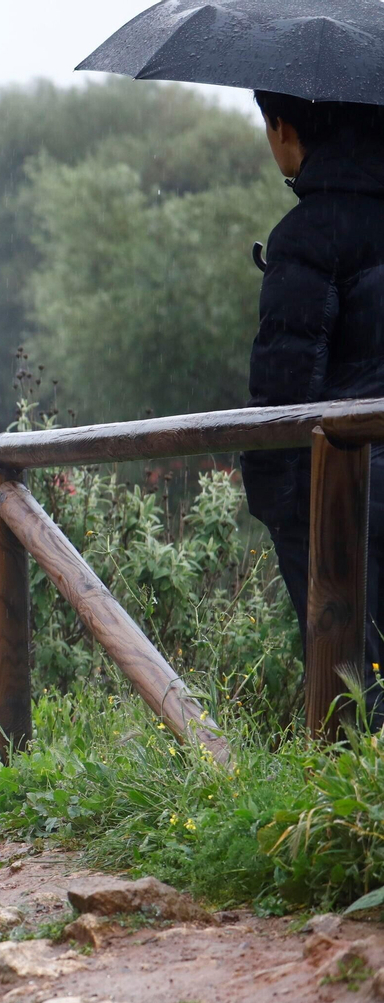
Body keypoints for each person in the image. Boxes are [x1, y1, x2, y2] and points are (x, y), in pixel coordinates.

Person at [238, 92, 384, 679]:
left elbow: (282, 389)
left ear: (285, 128)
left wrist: (282, 512)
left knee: (350, 683)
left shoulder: (307, 235)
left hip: (348, 498)